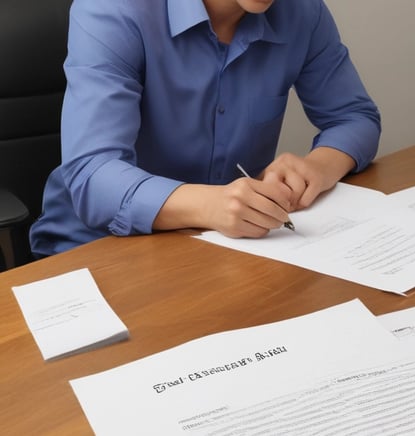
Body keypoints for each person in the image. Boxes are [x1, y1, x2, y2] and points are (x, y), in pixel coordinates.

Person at [30, 0, 381, 257]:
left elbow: (355, 116)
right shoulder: (113, 9)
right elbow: (92, 175)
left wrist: (318, 166)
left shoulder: (302, 11)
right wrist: (209, 206)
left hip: (227, 245)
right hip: (98, 248)